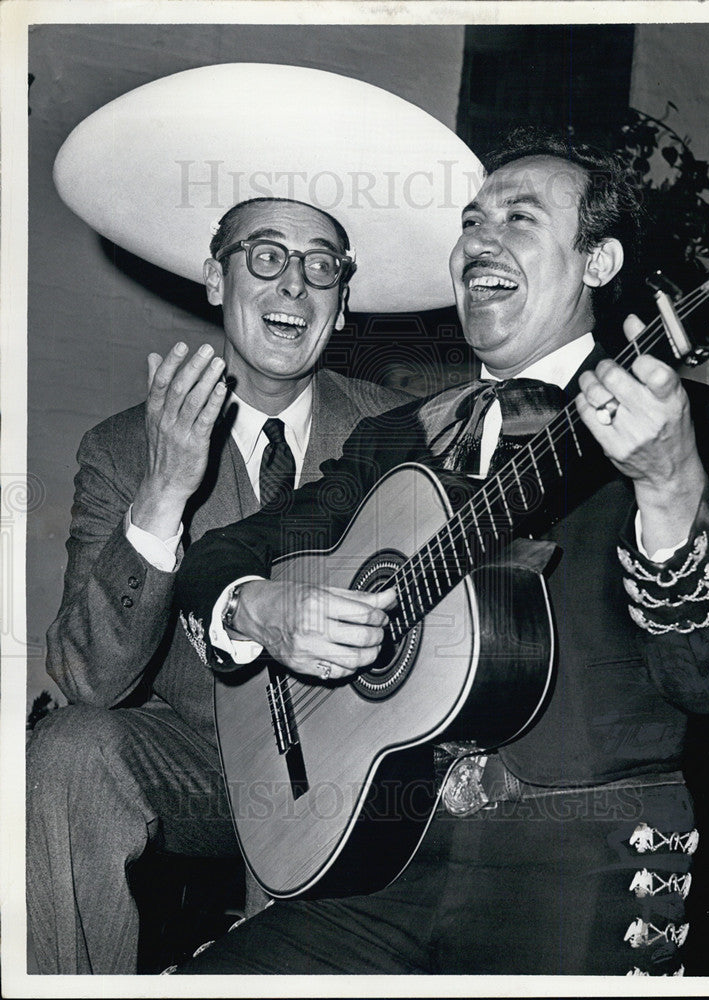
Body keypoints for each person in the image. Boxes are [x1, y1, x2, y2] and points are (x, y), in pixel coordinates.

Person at [173, 127, 709, 976]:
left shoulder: (702, 431)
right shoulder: (396, 438)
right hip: (369, 863)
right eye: (469, 221)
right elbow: (219, 556)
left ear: (597, 263)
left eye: (518, 218)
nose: (477, 242)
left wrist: (670, 487)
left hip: (572, 866)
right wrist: (260, 609)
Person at [26, 196, 410, 974]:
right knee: (69, 749)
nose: (293, 286)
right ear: (214, 277)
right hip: (199, 765)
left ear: (342, 303)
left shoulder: (402, 430)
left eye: (320, 266)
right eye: (264, 257)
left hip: (361, 770)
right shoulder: (122, 447)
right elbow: (87, 679)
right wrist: (162, 494)